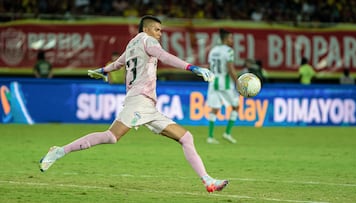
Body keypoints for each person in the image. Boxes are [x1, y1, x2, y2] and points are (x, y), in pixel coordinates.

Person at [39, 15, 228, 193]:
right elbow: (164, 56)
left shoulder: (131, 44)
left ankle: (208, 181)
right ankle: (59, 151)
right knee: (111, 136)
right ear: (146, 29)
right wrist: (192, 67)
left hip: (147, 105)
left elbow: (118, 64)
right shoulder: (148, 40)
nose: (159, 34)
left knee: (186, 138)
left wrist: (102, 70)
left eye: (160, 30)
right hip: (138, 101)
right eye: (157, 29)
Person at [206, 28, 239, 144]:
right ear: (226, 39)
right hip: (225, 83)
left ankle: (210, 137)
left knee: (215, 108)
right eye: (231, 38)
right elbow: (230, 69)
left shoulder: (213, 50)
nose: (232, 40)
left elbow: (210, 67)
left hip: (213, 82)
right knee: (236, 106)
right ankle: (227, 133)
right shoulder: (229, 51)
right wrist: (237, 82)